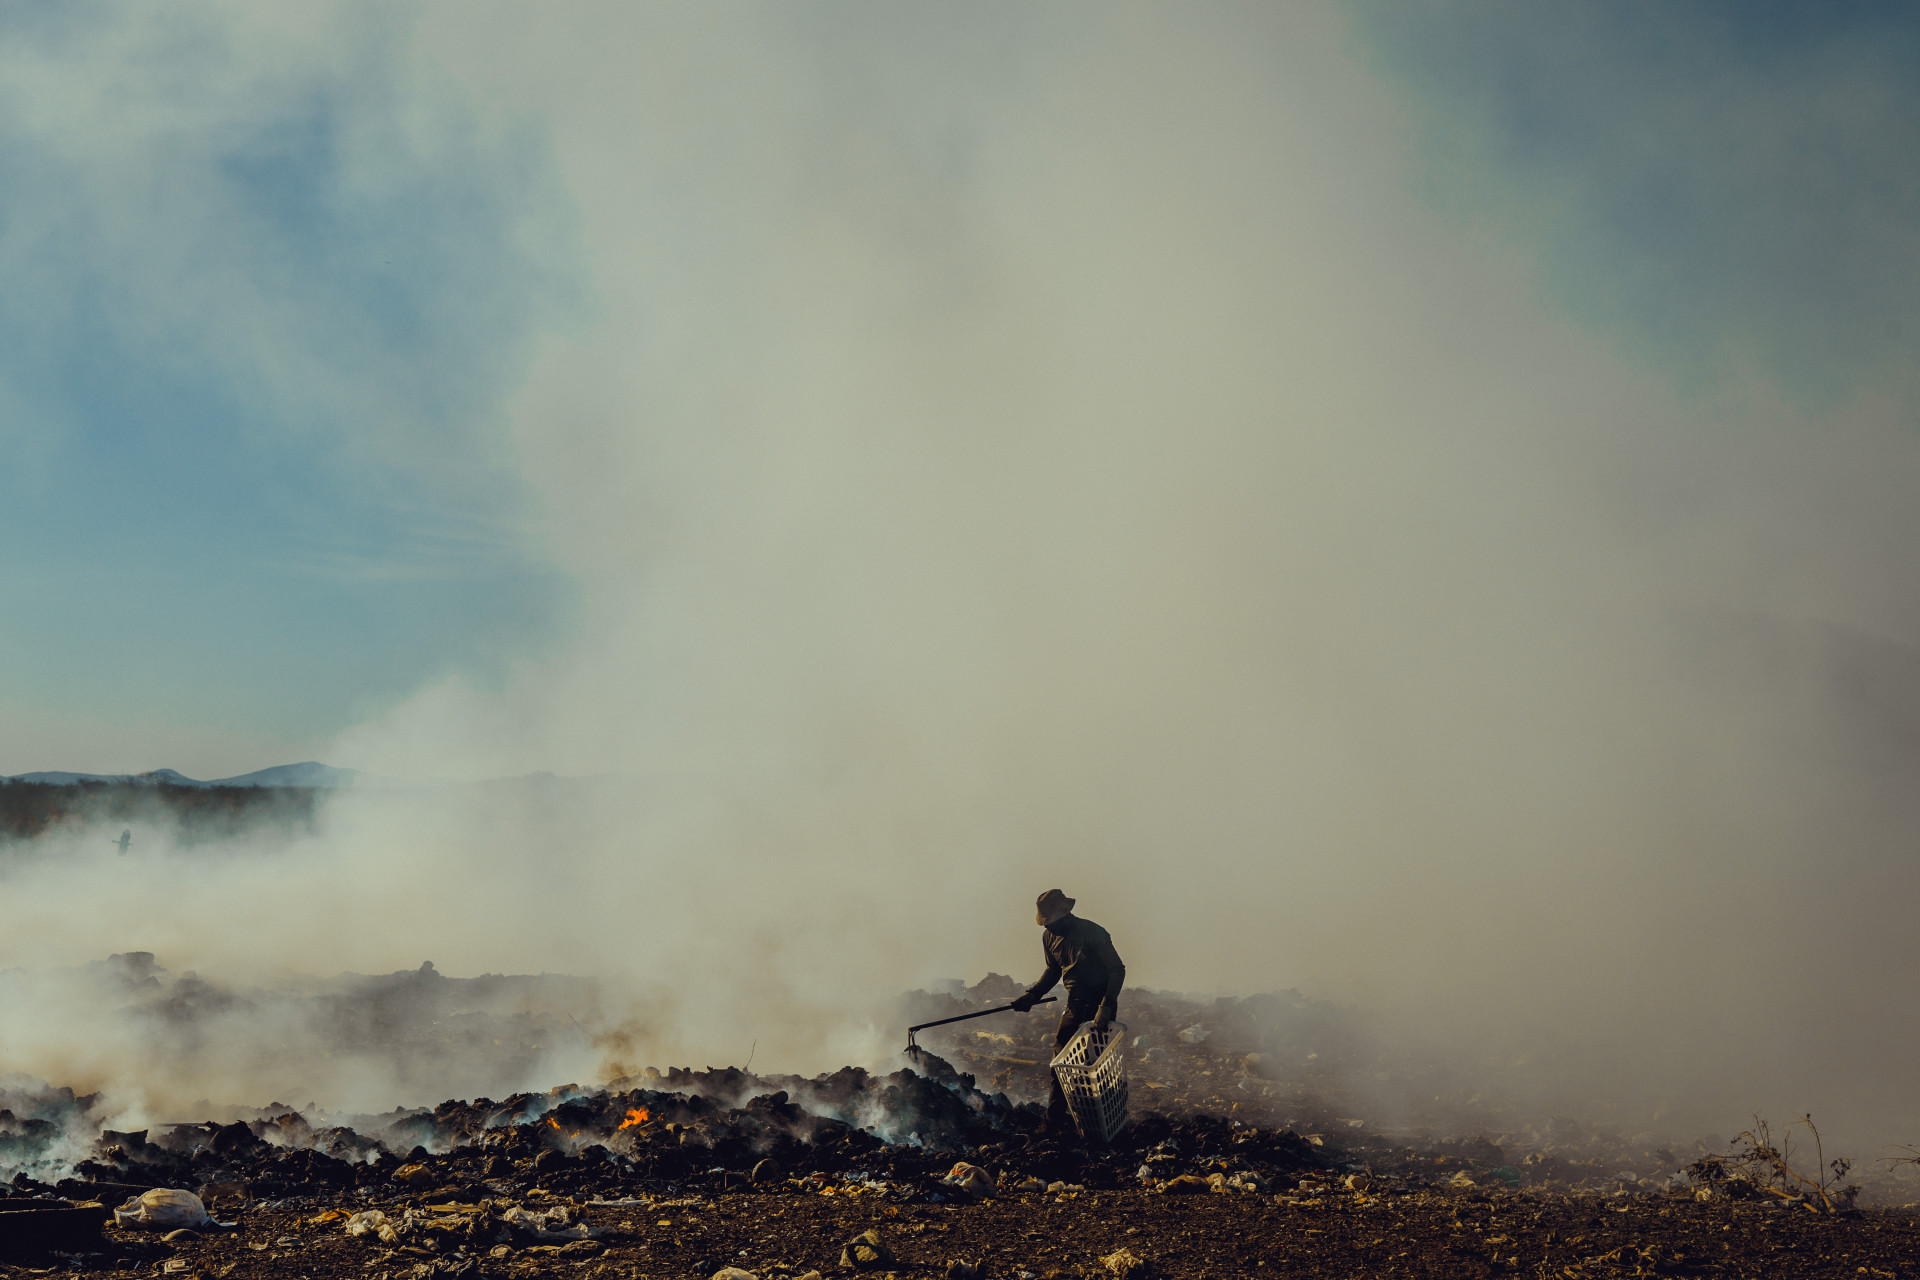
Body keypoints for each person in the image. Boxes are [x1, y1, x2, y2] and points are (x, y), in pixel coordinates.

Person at [1010, 888, 1125, 1134]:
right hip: (1074, 1005)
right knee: (1060, 1064)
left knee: (1096, 1066)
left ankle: (1103, 1123)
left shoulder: (1093, 932)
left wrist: (1106, 1006)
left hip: (1099, 1006)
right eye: (1045, 923)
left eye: (1050, 921)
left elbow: (1117, 969)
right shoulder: (1048, 938)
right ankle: (1053, 1124)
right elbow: (1053, 970)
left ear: (1064, 912)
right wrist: (1032, 995)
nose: (1048, 927)